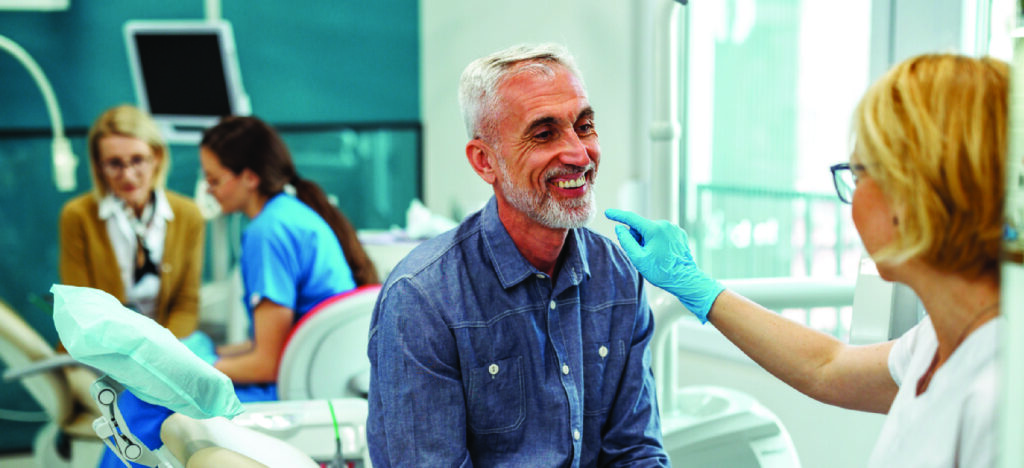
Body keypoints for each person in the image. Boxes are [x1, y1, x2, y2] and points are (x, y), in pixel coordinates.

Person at [607, 53, 1006, 466]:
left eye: (858, 174)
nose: (851, 197)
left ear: (915, 189)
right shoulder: (939, 341)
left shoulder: (1000, 395)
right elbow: (826, 366)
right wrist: (698, 287)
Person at [367, 43, 669, 467]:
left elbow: (636, 452)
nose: (579, 155)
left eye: (584, 126)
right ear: (485, 161)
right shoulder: (423, 299)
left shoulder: (617, 276)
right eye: (544, 134)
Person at [199, 115, 379, 399]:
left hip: (292, 388)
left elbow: (266, 365)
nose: (209, 189)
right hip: (320, 377)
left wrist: (193, 369)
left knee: (148, 402)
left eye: (214, 179)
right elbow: (270, 345)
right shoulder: (291, 214)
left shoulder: (268, 232)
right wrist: (208, 353)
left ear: (249, 177)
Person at [59, 104, 204, 340]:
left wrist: (160, 354)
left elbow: (186, 305)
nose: (127, 175)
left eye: (138, 160)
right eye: (115, 164)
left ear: (157, 157)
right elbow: (81, 310)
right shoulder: (78, 215)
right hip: (100, 347)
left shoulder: (189, 215)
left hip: (169, 346)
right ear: (99, 165)